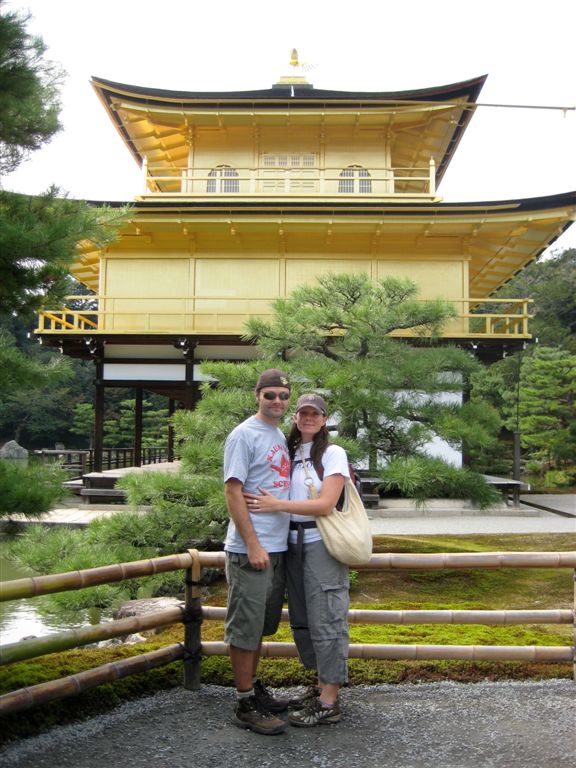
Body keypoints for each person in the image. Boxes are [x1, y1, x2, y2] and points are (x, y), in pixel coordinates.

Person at [244, 393, 350, 727]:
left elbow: (326, 504)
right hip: (291, 543)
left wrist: (278, 506)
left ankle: (329, 700)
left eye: (314, 414)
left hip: (321, 542)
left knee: (327, 618)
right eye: (302, 413)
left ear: (323, 419)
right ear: (295, 417)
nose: (307, 418)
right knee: (304, 619)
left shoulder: (333, 453)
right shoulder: (289, 451)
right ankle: (320, 686)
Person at [223, 368, 292, 735]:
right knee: (245, 628)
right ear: (257, 396)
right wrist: (252, 543)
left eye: (283, 395)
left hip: (276, 546)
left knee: (260, 626)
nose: (278, 401)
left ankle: (253, 688)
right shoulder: (244, 434)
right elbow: (233, 491)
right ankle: (244, 701)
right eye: (271, 395)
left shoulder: (278, 434)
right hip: (252, 547)